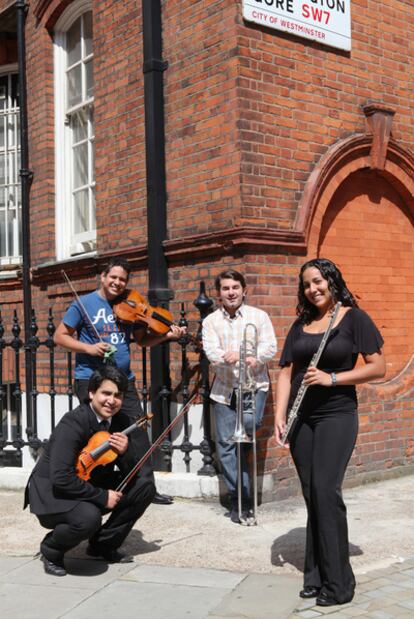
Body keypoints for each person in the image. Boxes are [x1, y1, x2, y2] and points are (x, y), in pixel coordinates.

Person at [275, 258, 386, 607]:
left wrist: (332, 378)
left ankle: (340, 584)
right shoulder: (301, 323)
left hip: (337, 415)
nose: (313, 288)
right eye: (307, 284)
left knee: (326, 491)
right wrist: (280, 417)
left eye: (319, 281)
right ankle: (316, 575)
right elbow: (285, 372)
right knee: (312, 495)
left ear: (332, 280)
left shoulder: (354, 318)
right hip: (301, 419)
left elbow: (378, 367)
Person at [54, 257, 186, 505]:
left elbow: (143, 341)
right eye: (113, 277)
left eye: (122, 279)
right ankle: (89, 485)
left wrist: (167, 335)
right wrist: (89, 348)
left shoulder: (130, 305)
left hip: (124, 381)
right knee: (98, 435)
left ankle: (145, 487)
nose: (117, 282)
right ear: (103, 277)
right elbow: (59, 336)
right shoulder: (83, 304)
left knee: (137, 432)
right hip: (91, 381)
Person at [24, 366, 156, 576]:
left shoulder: (121, 422)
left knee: (144, 486)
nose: (111, 401)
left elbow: (133, 472)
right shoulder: (73, 422)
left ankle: (102, 545)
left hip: (87, 482)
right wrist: (102, 496)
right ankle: (51, 549)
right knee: (89, 518)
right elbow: (61, 477)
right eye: (106, 393)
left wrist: (125, 452)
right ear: (92, 393)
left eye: (118, 395)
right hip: (52, 493)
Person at [202, 269, 277, 523]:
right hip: (224, 390)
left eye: (235, 287)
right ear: (219, 293)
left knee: (247, 429)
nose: (231, 292)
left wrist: (248, 356)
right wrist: (231, 355)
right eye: (226, 288)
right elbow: (212, 353)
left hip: (253, 387)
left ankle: (244, 494)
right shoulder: (211, 321)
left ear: (244, 290)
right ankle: (240, 499)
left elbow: (270, 347)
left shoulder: (259, 316)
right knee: (226, 447)